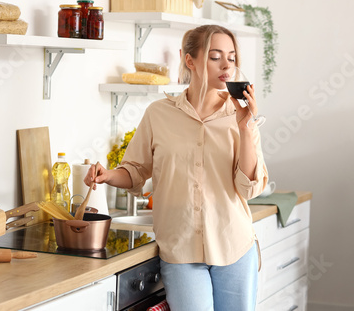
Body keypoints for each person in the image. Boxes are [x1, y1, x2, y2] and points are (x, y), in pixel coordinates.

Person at [85, 25, 268, 311]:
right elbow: (135, 170)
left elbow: (249, 188)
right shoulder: (158, 114)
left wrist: (246, 128)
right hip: (181, 251)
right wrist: (108, 175)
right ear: (190, 60)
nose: (226, 66)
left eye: (231, 58)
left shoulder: (241, 116)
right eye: (215, 56)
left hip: (234, 246)